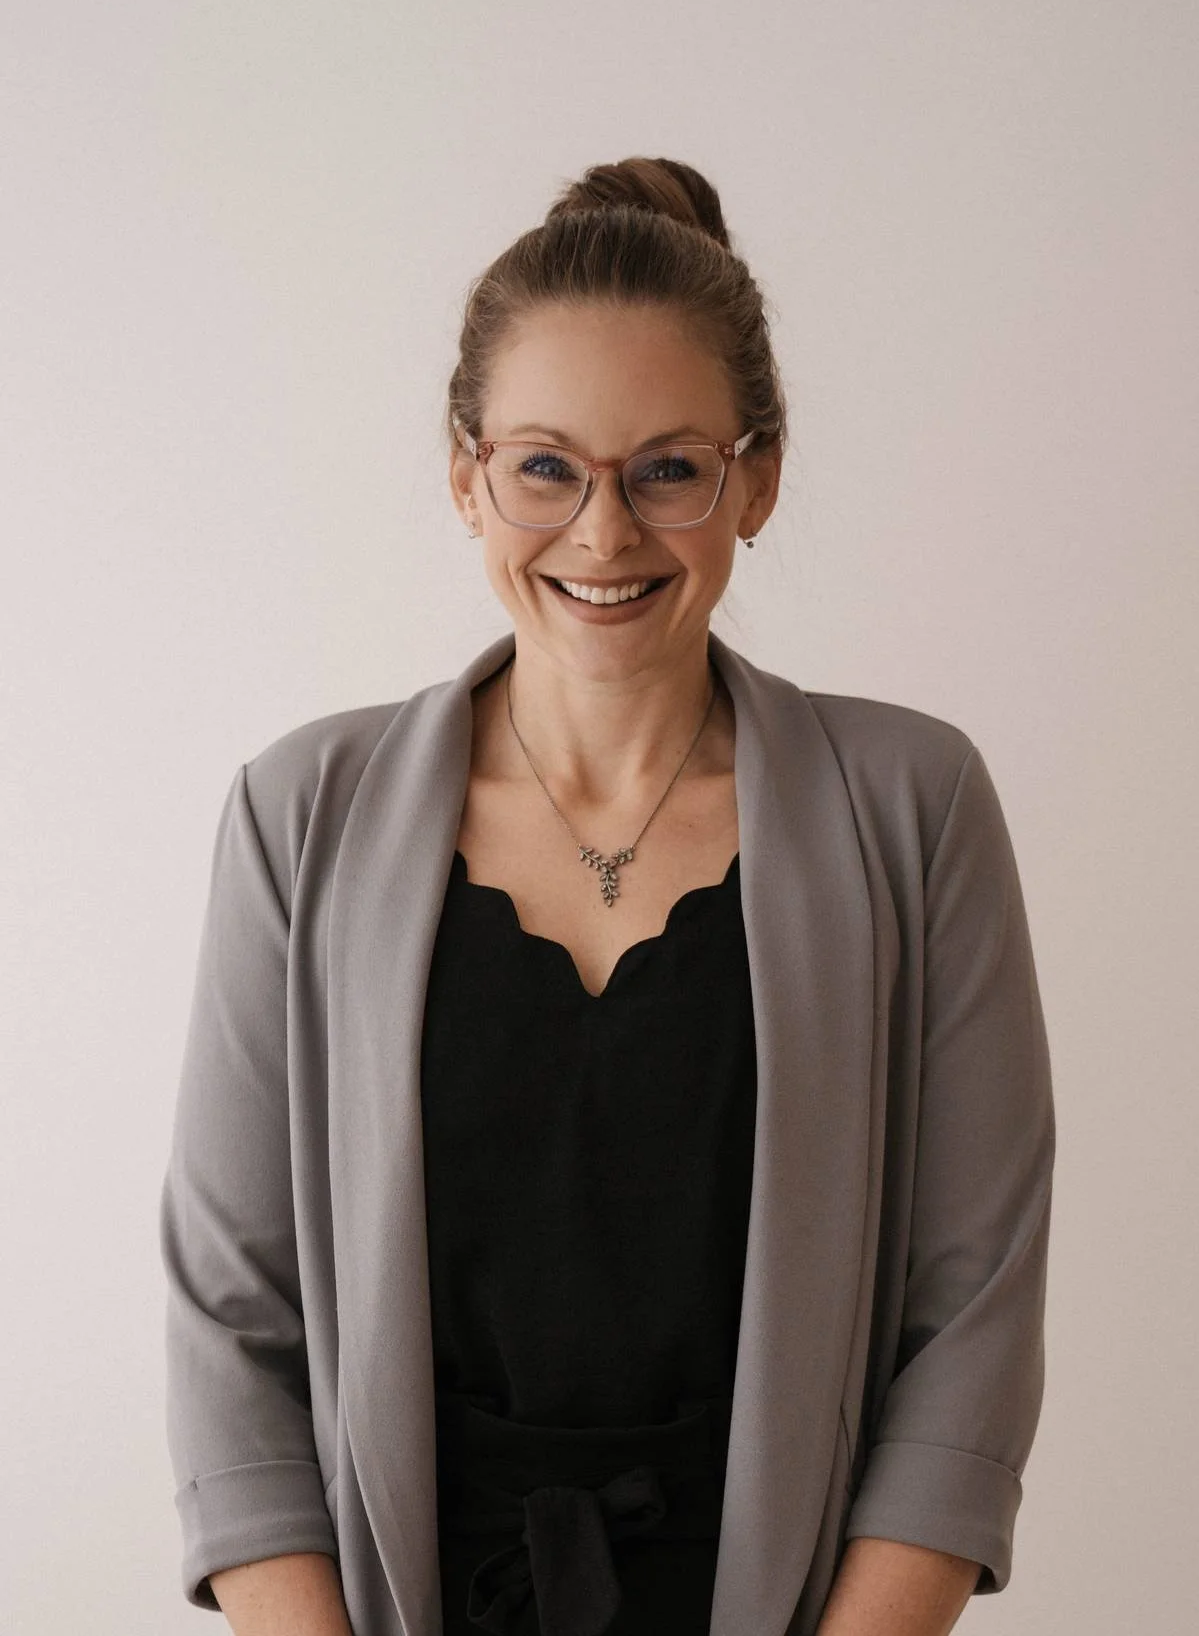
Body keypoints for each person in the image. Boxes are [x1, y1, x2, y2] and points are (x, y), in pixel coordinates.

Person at [159, 157, 1056, 1636]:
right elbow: (230, 1321)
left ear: (752, 477)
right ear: (465, 475)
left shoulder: (912, 806)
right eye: (543, 466)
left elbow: (967, 1323)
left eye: (666, 467)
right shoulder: (299, 815)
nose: (601, 532)